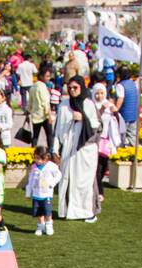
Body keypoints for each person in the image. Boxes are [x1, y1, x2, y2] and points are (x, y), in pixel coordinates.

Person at [55, 74, 101, 220]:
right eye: (70, 88)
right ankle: (66, 211)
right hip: (68, 149)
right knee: (67, 180)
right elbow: (57, 130)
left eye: (75, 87)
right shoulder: (63, 106)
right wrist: (55, 149)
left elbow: (98, 126)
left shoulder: (88, 104)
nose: (73, 90)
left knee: (84, 182)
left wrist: (83, 118)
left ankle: (88, 212)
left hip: (85, 149)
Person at [25, 145, 61, 236]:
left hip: (47, 194)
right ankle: (40, 226)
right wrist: (28, 192)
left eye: (39, 159)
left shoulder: (51, 166)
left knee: (47, 211)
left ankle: (49, 225)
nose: (37, 161)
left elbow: (58, 175)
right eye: (36, 158)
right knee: (38, 212)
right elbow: (31, 180)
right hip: (36, 194)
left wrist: (51, 184)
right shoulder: (34, 167)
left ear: (46, 158)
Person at [30, 65, 57, 150]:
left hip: (35, 114)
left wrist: (28, 111)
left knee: (35, 136)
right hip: (44, 115)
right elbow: (45, 102)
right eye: (47, 76)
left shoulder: (33, 86)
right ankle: (51, 151)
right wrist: (49, 115)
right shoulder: (42, 87)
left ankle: (32, 152)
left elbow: (30, 101)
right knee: (49, 134)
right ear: (41, 76)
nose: (48, 78)